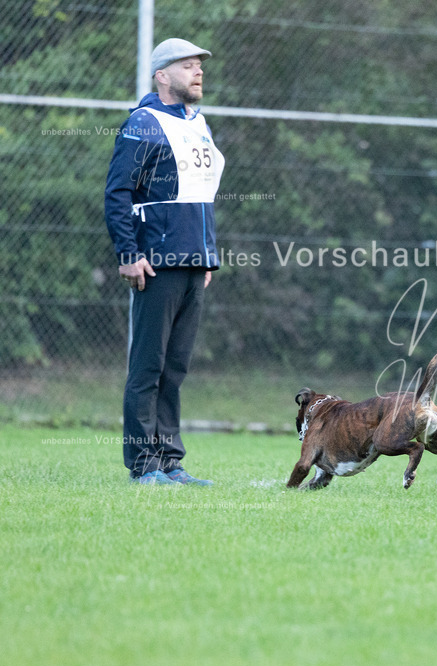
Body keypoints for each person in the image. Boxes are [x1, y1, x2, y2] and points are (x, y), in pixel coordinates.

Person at [104, 38, 224, 485]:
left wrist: (207, 255)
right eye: (188, 66)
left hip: (195, 262)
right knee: (148, 367)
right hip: (157, 263)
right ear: (162, 76)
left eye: (200, 66)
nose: (198, 72)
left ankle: (169, 461)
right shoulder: (144, 123)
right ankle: (142, 466)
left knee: (174, 369)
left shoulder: (198, 123)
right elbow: (118, 193)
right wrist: (128, 254)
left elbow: (200, 194)